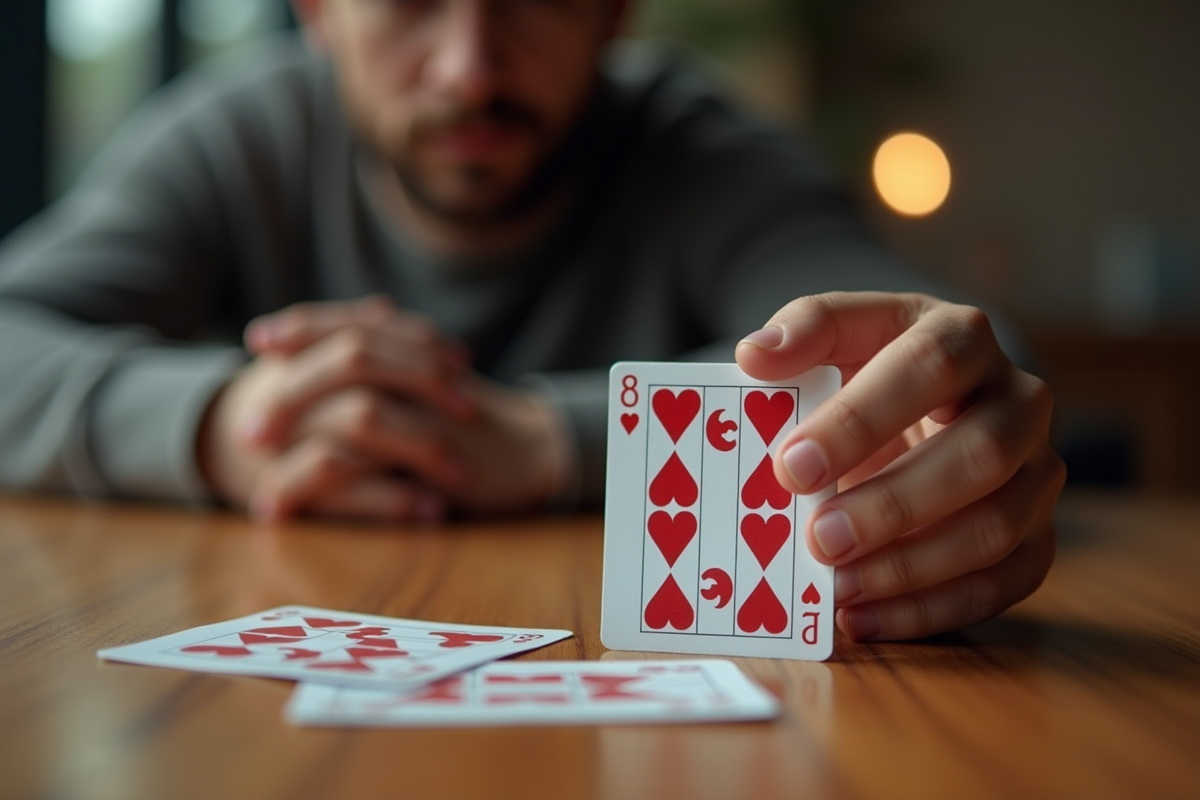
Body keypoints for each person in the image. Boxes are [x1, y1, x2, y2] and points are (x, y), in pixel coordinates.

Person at [0, 0, 1063, 641]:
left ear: (613, 10)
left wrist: (543, 439)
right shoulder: (232, 138)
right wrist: (223, 423)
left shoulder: (701, 154)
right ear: (320, 11)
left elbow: (946, 357)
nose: (469, 66)